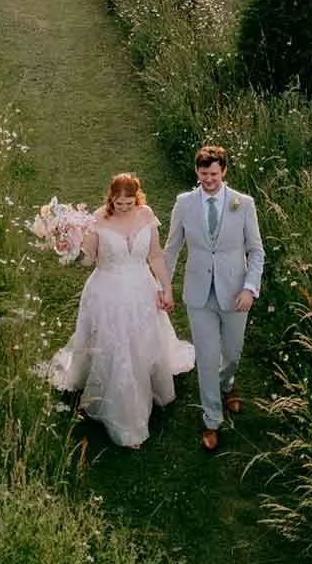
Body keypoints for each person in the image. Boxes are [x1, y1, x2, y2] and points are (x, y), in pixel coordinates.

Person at [37, 172, 196, 448]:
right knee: (118, 349)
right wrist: (71, 249)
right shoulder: (97, 219)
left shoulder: (146, 214)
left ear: (138, 198)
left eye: (129, 202)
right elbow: (88, 261)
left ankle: (147, 384)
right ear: (111, 199)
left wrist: (165, 287)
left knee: (143, 343)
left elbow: (155, 255)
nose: (124, 207)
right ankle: (127, 418)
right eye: (119, 203)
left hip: (142, 289)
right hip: (108, 293)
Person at [162, 143, 265, 452]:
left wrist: (250, 288)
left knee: (232, 352)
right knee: (206, 358)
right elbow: (172, 248)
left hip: (236, 293)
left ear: (224, 172)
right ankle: (211, 419)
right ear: (197, 172)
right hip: (198, 293)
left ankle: (227, 384)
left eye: (215, 174)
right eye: (204, 174)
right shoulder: (184, 203)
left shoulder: (243, 203)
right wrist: (162, 286)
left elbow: (256, 250)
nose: (209, 180)